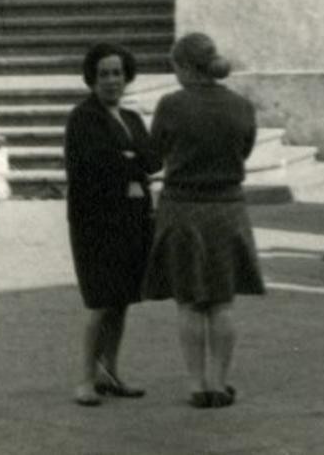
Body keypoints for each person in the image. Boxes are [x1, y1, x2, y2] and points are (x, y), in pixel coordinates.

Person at [142, 31, 265, 407]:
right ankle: (218, 382)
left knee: (190, 302)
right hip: (227, 209)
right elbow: (243, 152)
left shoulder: (171, 105)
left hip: (181, 209)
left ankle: (197, 385)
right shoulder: (242, 106)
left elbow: (153, 158)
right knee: (222, 302)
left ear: (182, 67)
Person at [64, 42, 158, 408]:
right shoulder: (83, 118)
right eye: (103, 74)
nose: (111, 81)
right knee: (100, 301)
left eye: (117, 73)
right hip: (96, 223)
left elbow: (152, 159)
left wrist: (129, 160)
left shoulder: (131, 118)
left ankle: (110, 373)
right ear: (91, 78)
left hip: (133, 221)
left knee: (122, 302)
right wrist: (129, 162)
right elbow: (96, 167)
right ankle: (85, 380)